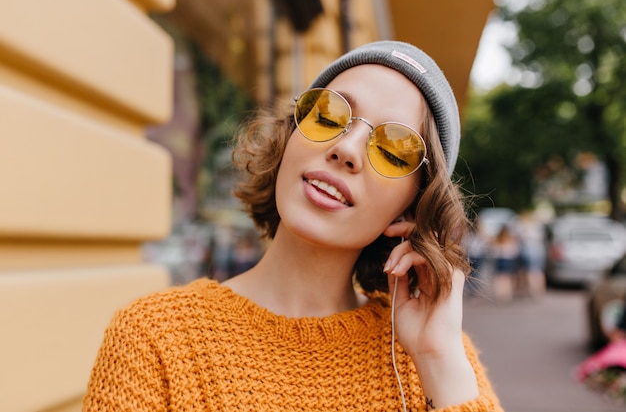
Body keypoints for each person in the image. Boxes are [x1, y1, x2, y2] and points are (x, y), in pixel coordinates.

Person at [83, 41, 503, 412]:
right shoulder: (155, 339)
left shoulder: (439, 356)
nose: (345, 149)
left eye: (394, 149)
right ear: (290, 138)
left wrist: (435, 359)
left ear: (411, 206)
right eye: (328, 114)